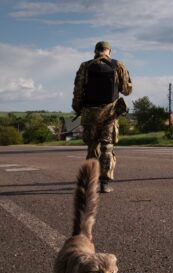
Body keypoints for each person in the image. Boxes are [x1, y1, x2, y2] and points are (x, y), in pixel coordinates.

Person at [72, 41, 132, 193]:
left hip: (89, 114)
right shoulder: (118, 65)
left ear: (95, 51)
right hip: (109, 115)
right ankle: (104, 184)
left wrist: (78, 108)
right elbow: (126, 90)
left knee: (92, 149)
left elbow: (78, 91)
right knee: (107, 148)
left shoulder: (85, 66)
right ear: (109, 51)